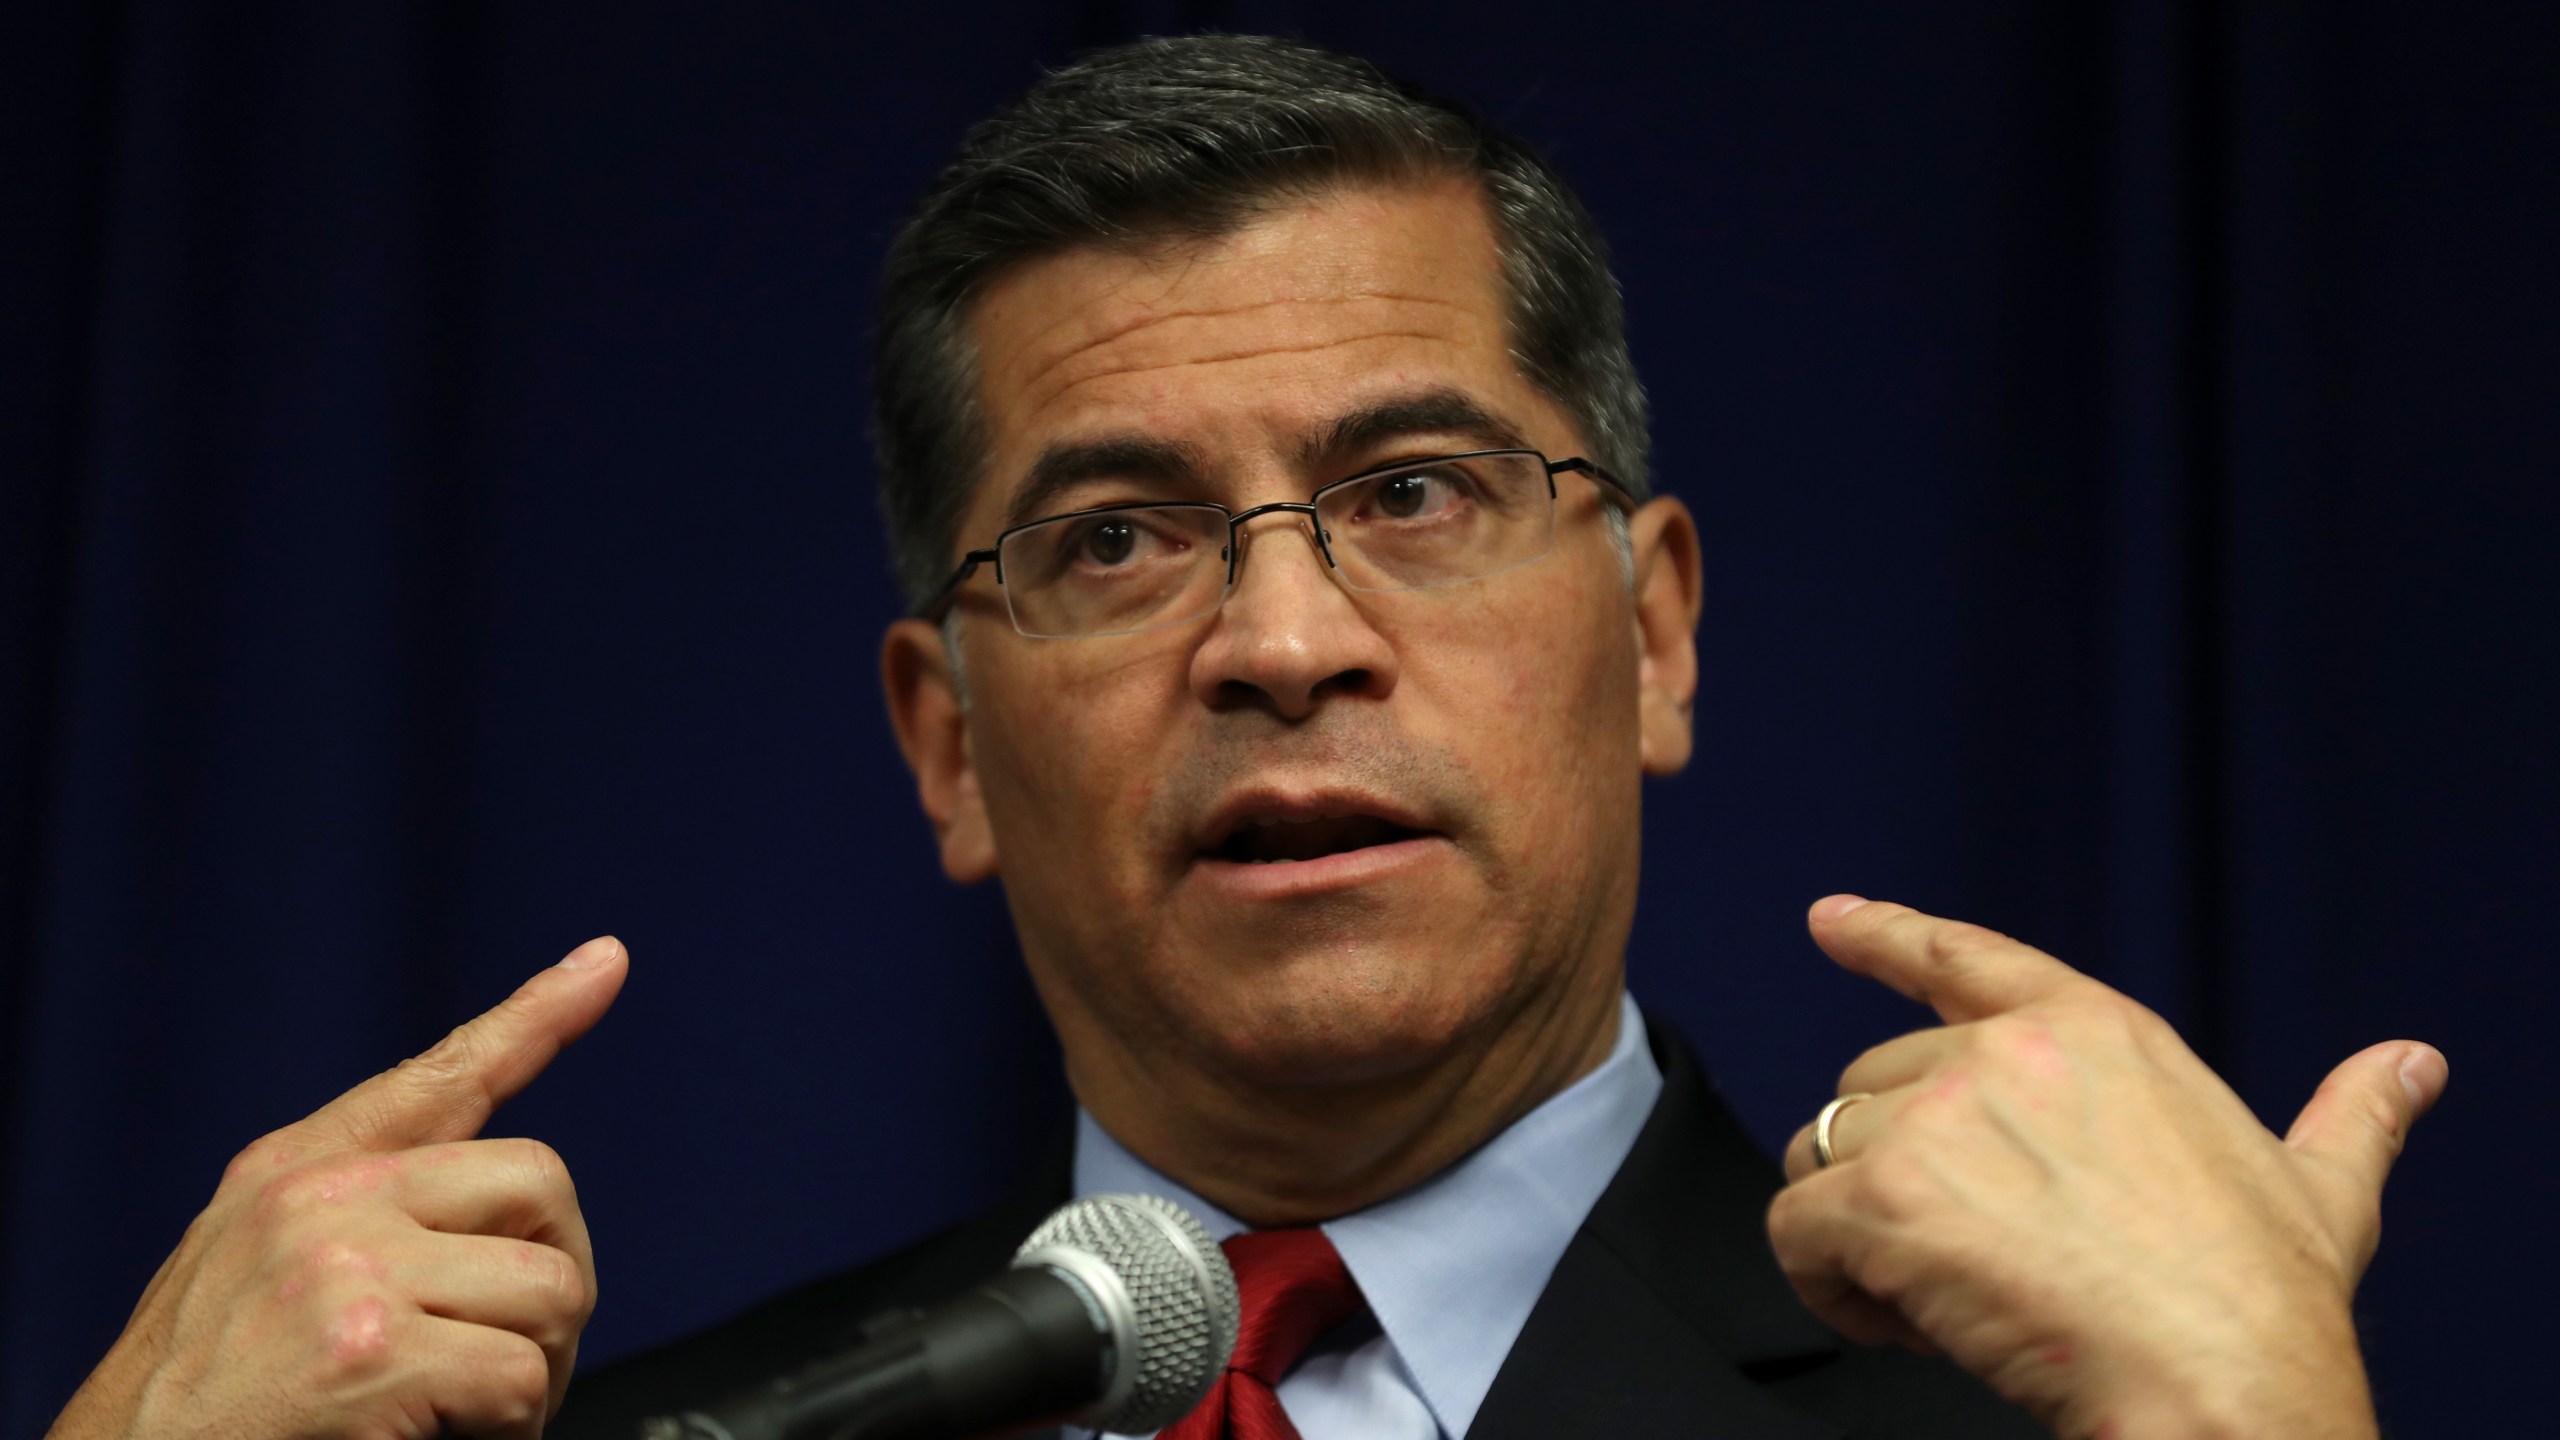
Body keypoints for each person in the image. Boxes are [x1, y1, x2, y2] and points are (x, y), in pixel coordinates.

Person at [45, 34, 2443, 1440]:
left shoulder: (2105, 1397)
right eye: (1110, 539)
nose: (1281, 637)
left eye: (1413, 496)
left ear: (1654, 630)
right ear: (949, 744)